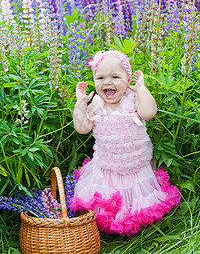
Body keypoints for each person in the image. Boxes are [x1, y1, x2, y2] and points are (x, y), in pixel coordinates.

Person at [70, 50, 181, 236]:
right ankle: (110, 219)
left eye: (115, 76)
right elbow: (82, 128)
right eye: (100, 78)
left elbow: (149, 113)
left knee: (139, 200)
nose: (107, 82)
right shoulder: (96, 104)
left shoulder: (133, 100)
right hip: (107, 170)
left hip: (135, 168)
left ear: (128, 80)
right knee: (106, 203)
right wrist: (80, 104)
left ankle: (135, 218)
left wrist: (142, 90)